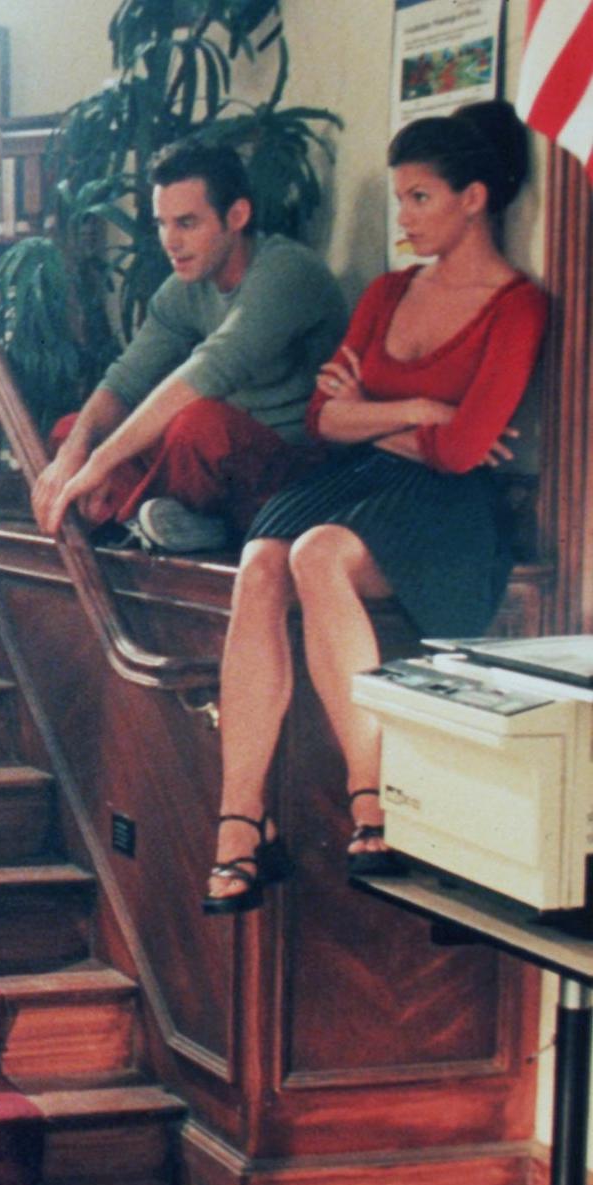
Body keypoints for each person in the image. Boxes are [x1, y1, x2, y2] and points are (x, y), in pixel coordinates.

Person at [204, 100, 545, 914]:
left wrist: (386, 414)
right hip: (353, 479)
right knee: (260, 561)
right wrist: (422, 413)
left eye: (420, 197)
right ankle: (240, 823)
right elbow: (325, 420)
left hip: (451, 507)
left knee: (317, 552)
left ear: (475, 198)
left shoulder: (518, 305)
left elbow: (466, 456)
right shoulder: (389, 292)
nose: (404, 218)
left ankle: (372, 801)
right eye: (399, 199)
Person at [33, 139, 351, 552]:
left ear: (237, 215)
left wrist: (99, 466)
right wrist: (75, 453)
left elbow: (209, 371)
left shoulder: (286, 272)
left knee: (198, 424)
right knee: (73, 428)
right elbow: (125, 381)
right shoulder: (183, 288)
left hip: (292, 471)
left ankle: (127, 517)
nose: (170, 241)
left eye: (187, 223)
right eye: (162, 224)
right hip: (211, 472)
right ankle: (166, 521)